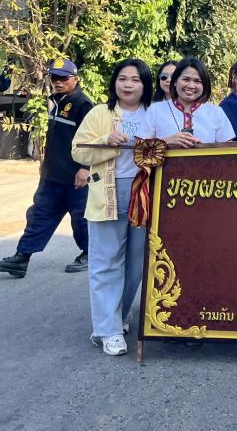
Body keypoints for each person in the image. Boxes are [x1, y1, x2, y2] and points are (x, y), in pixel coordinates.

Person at [72, 58, 154, 357]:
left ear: (145, 85)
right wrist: (106, 140)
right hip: (107, 194)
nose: (128, 84)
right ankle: (107, 330)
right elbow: (78, 150)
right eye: (122, 78)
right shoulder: (99, 114)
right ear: (114, 82)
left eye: (135, 79)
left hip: (144, 194)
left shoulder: (154, 114)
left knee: (136, 263)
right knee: (106, 261)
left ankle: (117, 317)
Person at [0, 58, 93, 277]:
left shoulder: (83, 104)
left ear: (75, 79)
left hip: (75, 178)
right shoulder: (55, 101)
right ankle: (21, 259)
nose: (58, 82)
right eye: (54, 77)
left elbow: (90, 140)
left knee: (81, 220)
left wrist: (85, 168)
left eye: (63, 78)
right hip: (52, 176)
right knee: (39, 216)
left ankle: (89, 253)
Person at [141, 56, 235, 146]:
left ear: (204, 85)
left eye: (197, 81)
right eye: (186, 79)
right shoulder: (156, 110)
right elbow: (138, 149)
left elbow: (228, 153)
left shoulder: (216, 113)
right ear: (175, 81)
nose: (191, 85)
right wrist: (165, 142)